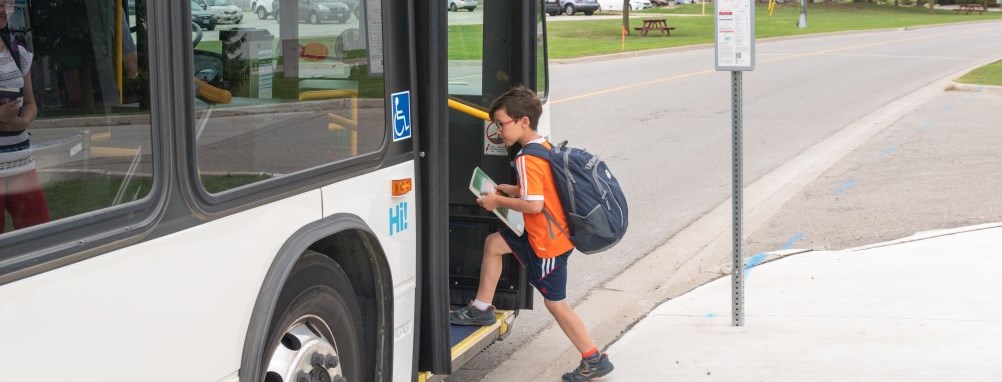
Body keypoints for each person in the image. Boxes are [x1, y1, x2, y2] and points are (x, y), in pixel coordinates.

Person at [449, 86, 614, 381]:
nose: (498, 130)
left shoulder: (526, 157)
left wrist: (496, 201)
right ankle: (481, 308)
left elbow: (535, 205)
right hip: (541, 235)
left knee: (556, 305)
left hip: (547, 243)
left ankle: (593, 358)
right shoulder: (542, 146)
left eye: (502, 124)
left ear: (523, 121)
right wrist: (509, 189)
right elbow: (541, 191)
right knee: (494, 244)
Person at [0, 0, 49, 232]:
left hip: (20, 155)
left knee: (37, 229)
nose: (3, 10)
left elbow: (30, 104)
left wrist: (24, 121)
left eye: (7, 4)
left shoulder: (17, 51)